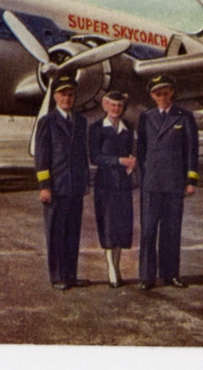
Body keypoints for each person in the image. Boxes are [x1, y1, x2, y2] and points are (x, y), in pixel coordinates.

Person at [136, 75, 199, 290]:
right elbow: (141, 151)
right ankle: (146, 277)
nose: (162, 97)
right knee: (148, 232)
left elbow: (192, 150)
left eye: (165, 92)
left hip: (174, 184)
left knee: (171, 231)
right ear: (152, 96)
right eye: (157, 94)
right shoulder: (146, 117)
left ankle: (170, 274)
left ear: (172, 92)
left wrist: (191, 180)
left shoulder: (184, 117)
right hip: (151, 184)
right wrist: (143, 179)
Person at [34, 75, 91, 290]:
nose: (67, 98)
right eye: (63, 94)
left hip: (74, 187)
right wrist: (44, 186)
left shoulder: (80, 121)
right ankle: (57, 276)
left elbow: (81, 155)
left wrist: (84, 183)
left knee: (73, 233)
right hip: (56, 188)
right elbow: (41, 157)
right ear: (55, 97)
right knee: (56, 234)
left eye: (70, 94)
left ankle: (71, 275)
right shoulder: (47, 122)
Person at [89, 91, 136, 288]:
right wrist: (118, 161)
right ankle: (111, 270)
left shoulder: (128, 128)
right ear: (105, 106)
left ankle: (117, 266)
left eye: (119, 106)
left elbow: (134, 149)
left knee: (122, 227)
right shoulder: (97, 128)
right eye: (112, 105)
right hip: (106, 183)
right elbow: (94, 157)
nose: (116, 109)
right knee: (108, 226)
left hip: (123, 183)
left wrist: (133, 161)